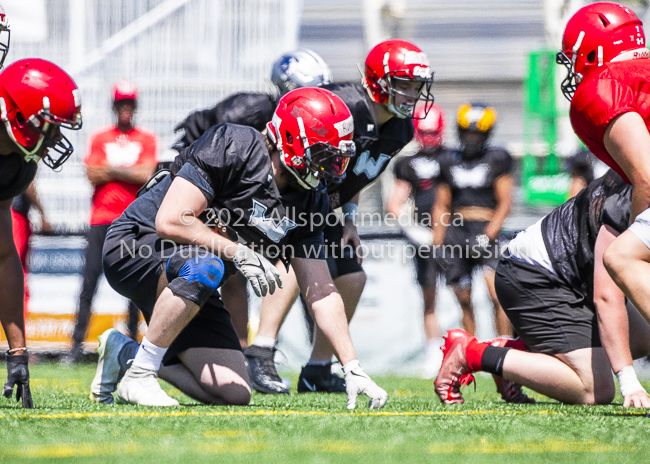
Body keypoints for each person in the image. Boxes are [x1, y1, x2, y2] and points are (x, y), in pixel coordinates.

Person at [90, 87, 388, 410]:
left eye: (337, 159)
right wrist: (238, 251)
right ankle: (141, 374)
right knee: (209, 264)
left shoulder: (309, 200)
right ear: (291, 141)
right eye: (323, 156)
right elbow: (171, 221)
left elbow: (322, 291)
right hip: (136, 247)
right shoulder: (236, 145)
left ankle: (127, 355)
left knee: (235, 392)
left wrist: (351, 365)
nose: (332, 169)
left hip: (190, 274)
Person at [245, 39, 435, 395]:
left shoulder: (400, 127)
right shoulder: (343, 104)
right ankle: (261, 350)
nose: (413, 94)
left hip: (327, 204)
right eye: (405, 84)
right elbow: (285, 135)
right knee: (293, 262)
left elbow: (361, 171)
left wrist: (349, 218)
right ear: (379, 81)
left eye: (417, 86)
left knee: (352, 277)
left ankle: (317, 369)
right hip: (297, 191)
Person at [435, 170, 650, 408]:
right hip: (536, 275)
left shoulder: (636, 178)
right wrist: (629, 382)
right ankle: (473, 353)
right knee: (596, 391)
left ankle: (515, 354)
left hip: (574, 277)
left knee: (643, 338)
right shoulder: (630, 198)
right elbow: (607, 296)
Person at [171, 48, 332, 349]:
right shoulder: (256, 109)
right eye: (310, 91)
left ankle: (257, 350)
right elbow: (209, 148)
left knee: (296, 262)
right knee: (231, 274)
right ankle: (241, 347)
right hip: (205, 186)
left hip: (242, 196)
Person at [553, 3, 650, 328]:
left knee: (621, 257)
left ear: (592, 51)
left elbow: (646, 176)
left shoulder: (603, 87)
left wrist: (638, 232)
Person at [0, 58, 83, 408]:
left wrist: (18, 351)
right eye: (49, 127)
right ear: (18, 117)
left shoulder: (17, 164)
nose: (56, 138)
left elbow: (3, 255)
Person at [69, 80, 158, 362]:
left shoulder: (146, 139)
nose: (125, 109)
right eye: (121, 103)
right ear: (114, 106)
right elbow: (92, 174)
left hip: (133, 221)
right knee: (89, 283)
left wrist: (111, 170)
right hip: (101, 219)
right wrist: (127, 170)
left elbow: (147, 174)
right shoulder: (100, 137)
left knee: (134, 284)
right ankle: (75, 345)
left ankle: (133, 343)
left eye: (129, 104)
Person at [432, 103, 513, 338]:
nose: (472, 138)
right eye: (467, 132)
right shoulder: (448, 159)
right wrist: (437, 242)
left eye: (477, 133)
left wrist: (488, 235)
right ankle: (471, 350)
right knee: (463, 295)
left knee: (496, 294)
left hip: (486, 228)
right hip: (457, 230)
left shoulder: (498, 158)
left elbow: (505, 202)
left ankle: (503, 347)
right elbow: (441, 204)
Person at [385, 103, 447, 378]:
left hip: (454, 234)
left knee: (465, 296)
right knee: (429, 298)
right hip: (424, 238)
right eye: (424, 132)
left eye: (433, 132)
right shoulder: (407, 163)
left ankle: (473, 351)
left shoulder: (452, 158)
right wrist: (414, 231)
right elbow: (394, 204)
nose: (429, 137)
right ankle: (433, 353)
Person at [11, 184, 52, 317]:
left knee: (18, 272)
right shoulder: (27, 162)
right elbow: (28, 185)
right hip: (14, 216)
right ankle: (16, 327)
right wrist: (42, 213)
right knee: (15, 273)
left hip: (18, 215)